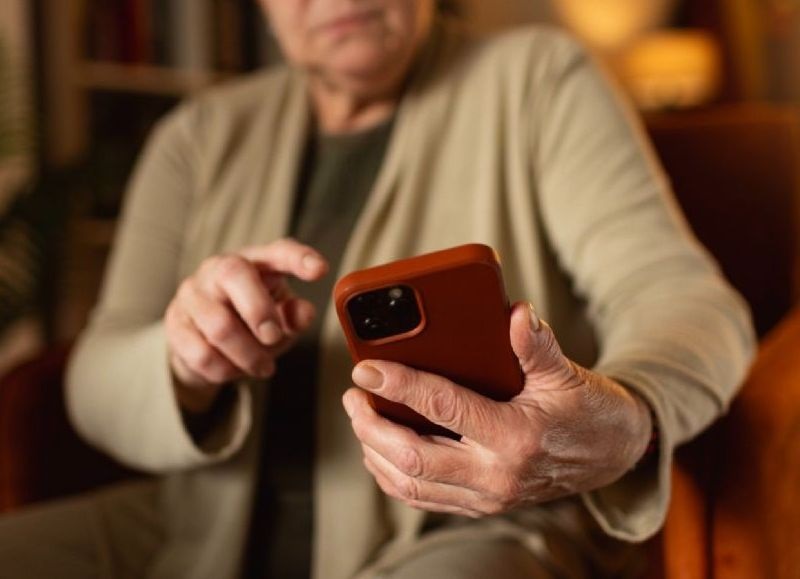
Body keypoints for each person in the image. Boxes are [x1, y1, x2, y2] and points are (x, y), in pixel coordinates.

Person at [0, 1, 755, 578]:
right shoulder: (194, 137)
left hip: (468, 529)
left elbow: (684, 299)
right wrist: (183, 359)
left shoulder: (537, 77)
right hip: (196, 527)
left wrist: (625, 420)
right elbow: (94, 374)